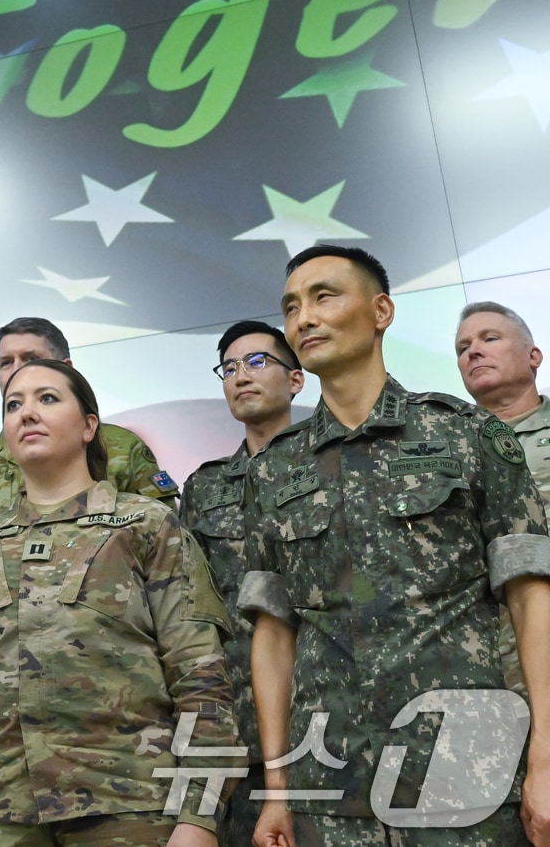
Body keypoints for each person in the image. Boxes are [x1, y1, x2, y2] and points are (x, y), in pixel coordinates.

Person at [240, 246, 550, 846]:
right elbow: (274, 634)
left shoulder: (467, 435)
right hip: (330, 791)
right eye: (291, 306)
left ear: (381, 310)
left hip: (466, 775)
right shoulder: (274, 471)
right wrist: (279, 792)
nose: (304, 318)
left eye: (324, 296)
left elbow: (531, 599)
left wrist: (546, 759)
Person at [0, 358, 239, 847]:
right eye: (13, 404)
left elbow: (201, 678)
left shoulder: (145, 526)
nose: (27, 413)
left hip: (129, 805)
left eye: (47, 398)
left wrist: (199, 819)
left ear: (90, 425)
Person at [178, 321, 303, 847]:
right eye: (229, 368)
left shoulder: (338, 466)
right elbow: (189, 611)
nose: (240, 377)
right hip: (237, 732)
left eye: (256, 362)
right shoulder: (205, 487)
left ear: (296, 380)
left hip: (333, 715)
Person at [0, 316, 178, 554]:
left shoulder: (122, 449)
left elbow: (164, 546)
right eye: (6, 362)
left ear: (67, 368)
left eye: (32, 358)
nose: (18, 370)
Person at [457, 301, 550, 509]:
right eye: (463, 348)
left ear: (533, 356)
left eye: (490, 338)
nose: (473, 351)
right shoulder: (447, 444)